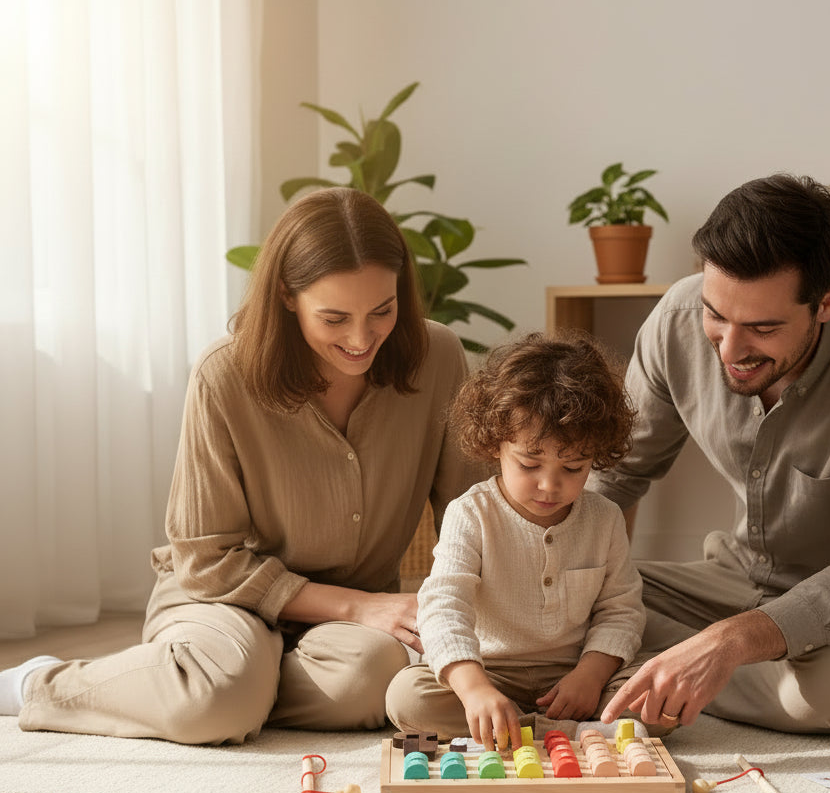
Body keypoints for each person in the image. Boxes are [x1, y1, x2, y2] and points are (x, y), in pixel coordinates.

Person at [0, 188, 483, 744]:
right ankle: (40, 683)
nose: (360, 338)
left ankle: (219, 685)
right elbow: (207, 561)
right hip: (224, 600)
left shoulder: (439, 356)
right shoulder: (223, 375)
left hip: (348, 626)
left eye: (382, 311)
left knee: (370, 683)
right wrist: (357, 605)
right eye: (334, 317)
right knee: (218, 700)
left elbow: (472, 516)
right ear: (286, 295)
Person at [595, 173, 830, 735]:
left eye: (763, 327)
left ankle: (648, 671)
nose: (730, 349)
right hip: (735, 580)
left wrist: (730, 641)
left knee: (827, 694)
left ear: (827, 302)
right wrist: (574, 595)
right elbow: (614, 478)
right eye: (716, 315)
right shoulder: (675, 320)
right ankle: (673, 668)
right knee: (565, 601)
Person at [385, 332, 647, 750]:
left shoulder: (605, 518)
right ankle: (556, 731)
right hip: (492, 672)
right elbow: (444, 606)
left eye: (574, 467)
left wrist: (591, 674)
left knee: (652, 690)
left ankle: (525, 727)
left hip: (575, 672)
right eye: (529, 463)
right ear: (496, 445)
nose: (549, 484)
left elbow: (622, 610)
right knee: (408, 698)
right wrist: (475, 690)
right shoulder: (470, 514)